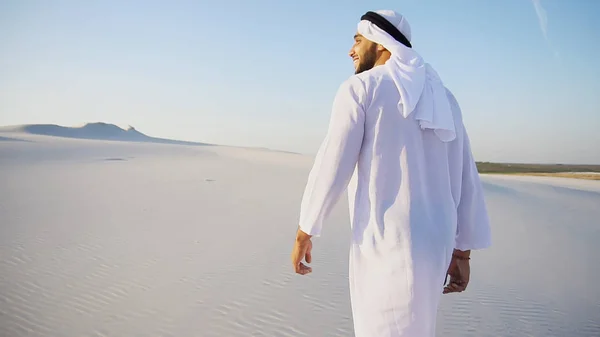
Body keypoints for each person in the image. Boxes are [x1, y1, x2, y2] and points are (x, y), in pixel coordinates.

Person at [290, 9, 492, 337]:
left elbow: (332, 163)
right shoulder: (445, 98)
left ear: (381, 44)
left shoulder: (361, 89)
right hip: (435, 248)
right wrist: (462, 252)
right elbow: (465, 176)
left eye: (358, 41)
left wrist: (305, 231)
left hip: (387, 243)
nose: (351, 50)